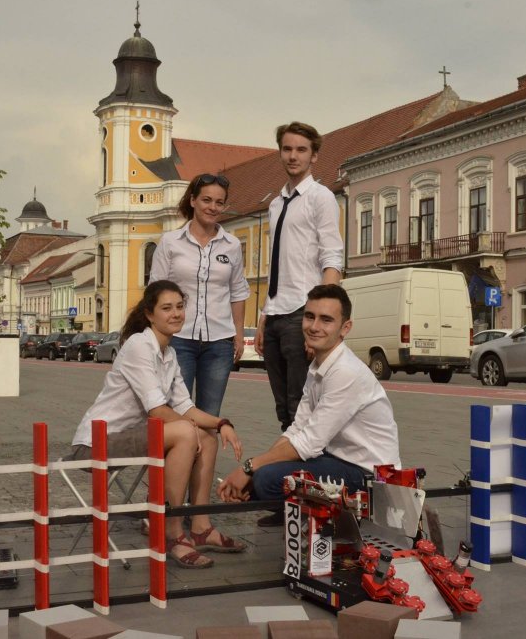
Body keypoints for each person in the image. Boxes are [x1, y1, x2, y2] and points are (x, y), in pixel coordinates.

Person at [70, 280, 246, 569]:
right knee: (186, 432)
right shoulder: (140, 345)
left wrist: (221, 422)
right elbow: (158, 411)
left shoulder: (169, 353)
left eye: (179, 307)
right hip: (96, 441)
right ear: (150, 314)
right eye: (167, 308)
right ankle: (171, 531)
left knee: (209, 437)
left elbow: (185, 407)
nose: (175, 313)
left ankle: (200, 527)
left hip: (133, 437)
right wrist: (191, 431)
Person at [218, 284, 400, 520]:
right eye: (309, 316)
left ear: (345, 328)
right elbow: (297, 429)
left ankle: (313, 515)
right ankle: (297, 511)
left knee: (266, 480)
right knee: (262, 478)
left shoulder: (345, 371)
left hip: (371, 477)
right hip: (338, 460)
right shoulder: (318, 366)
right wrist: (255, 469)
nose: (314, 327)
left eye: (326, 320)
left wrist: (251, 467)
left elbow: (309, 443)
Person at [256, 122, 344, 432]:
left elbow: (332, 258)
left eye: (301, 150)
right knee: (283, 407)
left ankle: (304, 475)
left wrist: (319, 320)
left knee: (301, 404)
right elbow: (279, 263)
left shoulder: (321, 198)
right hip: (277, 313)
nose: (293, 156)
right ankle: (289, 474)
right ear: (280, 153)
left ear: (314, 156)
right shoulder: (275, 204)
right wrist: (265, 315)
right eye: (287, 149)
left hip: (301, 313)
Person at [149, 173, 250, 416]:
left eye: (219, 202)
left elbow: (237, 291)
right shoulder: (170, 242)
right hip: (178, 339)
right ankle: (178, 455)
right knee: (176, 412)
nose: (212, 207)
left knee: (210, 415)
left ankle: (205, 456)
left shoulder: (232, 245)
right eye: (206, 200)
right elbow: (155, 291)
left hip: (219, 343)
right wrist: (156, 336)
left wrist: (237, 335)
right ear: (193, 200)